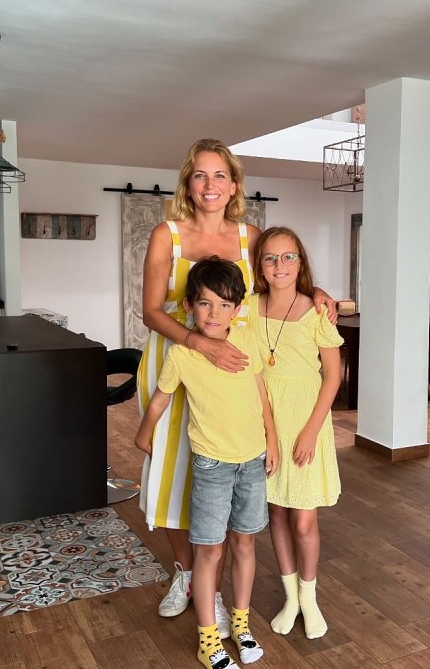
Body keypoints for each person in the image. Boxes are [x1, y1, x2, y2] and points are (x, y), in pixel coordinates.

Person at [136, 138, 335, 629]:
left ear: (233, 185)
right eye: (200, 175)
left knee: (224, 469)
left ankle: (220, 591)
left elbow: (282, 276)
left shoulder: (250, 235)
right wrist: (199, 344)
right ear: (188, 182)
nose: (210, 185)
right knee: (177, 475)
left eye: (219, 175)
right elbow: (150, 311)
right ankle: (186, 574)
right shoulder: (168, 235)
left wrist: (319, 291)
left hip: (235, 371)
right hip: (177, 360)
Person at [135, 257, 277, 669]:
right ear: (188, 307)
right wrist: (143, 433)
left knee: (246, 544)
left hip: (252, 462)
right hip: (212, 467)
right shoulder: (183, 355)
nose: (214, 314)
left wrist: (272, 441)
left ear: (238, 307)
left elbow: (260, 393)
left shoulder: (248, 339)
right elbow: (161, 398)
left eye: (225, 305)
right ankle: (208, 640)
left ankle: (242, 625)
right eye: (205, 304)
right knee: (209, 551)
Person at [248, 227, 343, 640]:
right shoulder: (249, 309)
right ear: (260, 266)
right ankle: (289, 595)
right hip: (266, 421)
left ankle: (310, 597)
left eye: (289, 257)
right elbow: (254, 372)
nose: (279, 265)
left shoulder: (316, 311)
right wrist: (270, 435)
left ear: (300, 263)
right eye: (270, 258)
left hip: (308, 422)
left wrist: (310, 432)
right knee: (276, 512)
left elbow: (334, 376)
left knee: (304, 519)